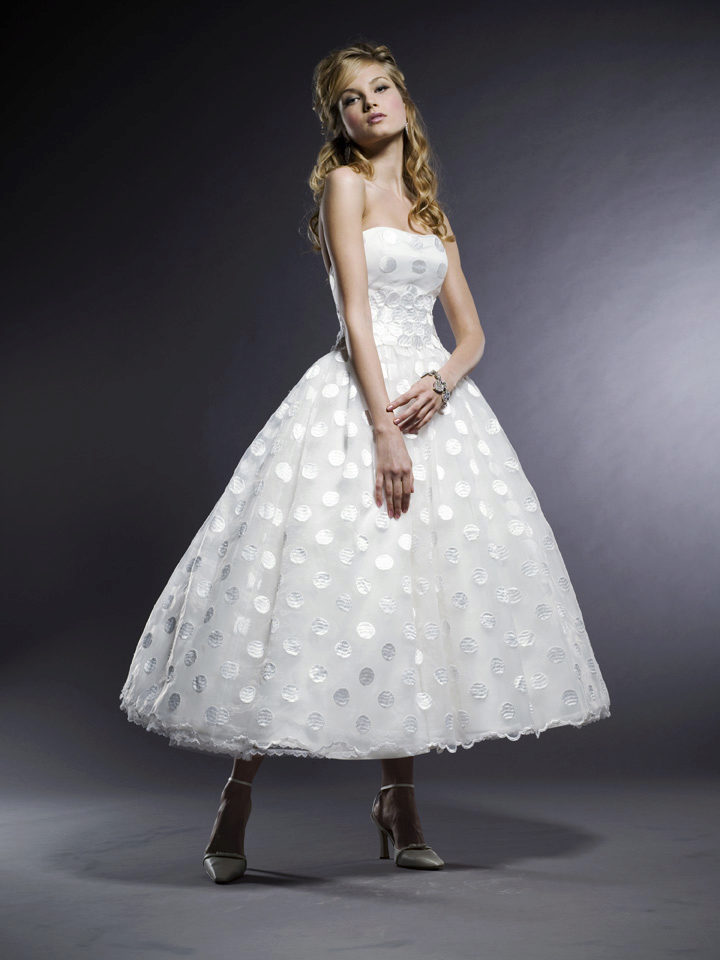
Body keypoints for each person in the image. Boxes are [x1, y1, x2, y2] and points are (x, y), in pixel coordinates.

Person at [119, 40, 611, 883]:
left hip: (432, 411)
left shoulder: (429, 209)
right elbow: (354, 313)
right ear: (339, 121)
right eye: (352, 98)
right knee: (306, 594)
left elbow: (473, 334)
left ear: (404, 102)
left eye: (381, 88)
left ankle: (399, 801)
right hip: (358, 404)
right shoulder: (344, 186)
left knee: (408, 603)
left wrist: (440, 385)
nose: (370, 103)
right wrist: (385, 429)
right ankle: (236, 796)